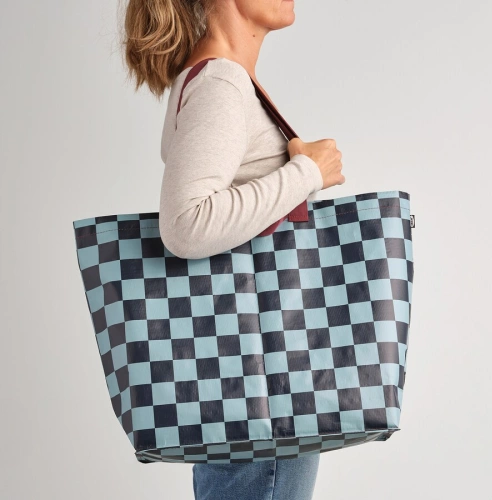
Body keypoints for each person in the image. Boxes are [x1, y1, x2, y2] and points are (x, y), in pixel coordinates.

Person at [122, 1, 344, 498]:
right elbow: (185, 224)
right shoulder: (221, 82)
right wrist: (307, 173)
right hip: (264, 391)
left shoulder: (220, 78)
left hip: (248, 383)